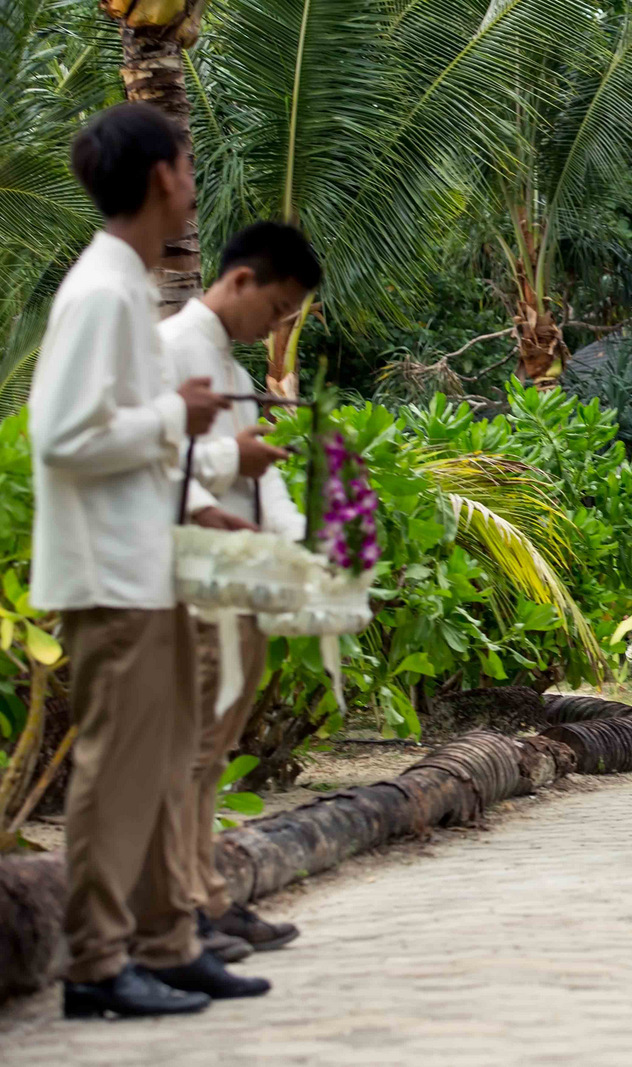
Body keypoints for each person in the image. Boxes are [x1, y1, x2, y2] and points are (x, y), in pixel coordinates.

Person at [30, 103, 268, 1019]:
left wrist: (194, 489)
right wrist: (180, 415)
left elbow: (121, 437)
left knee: (164, 760)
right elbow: (63, 437)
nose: (194, 183)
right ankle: (96, 964)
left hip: (148, 564)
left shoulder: (125, 286)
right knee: (118, 767)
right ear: (163, 174)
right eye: (188, 165)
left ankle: (168, 942)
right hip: (112, 574)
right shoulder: (100, 290)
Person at [164, 222, 321, 963]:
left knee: (215, 743)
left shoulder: (227, 364)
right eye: (278, 308)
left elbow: (264, 482)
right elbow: (157, 460)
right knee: (192, 743)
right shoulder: (171, 349)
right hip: (196, 573)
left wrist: (303, 550)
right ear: (241, 280)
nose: (277, 326)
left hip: (241, 573)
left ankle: (206, 897)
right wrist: (226, 473)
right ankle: (181, 905)